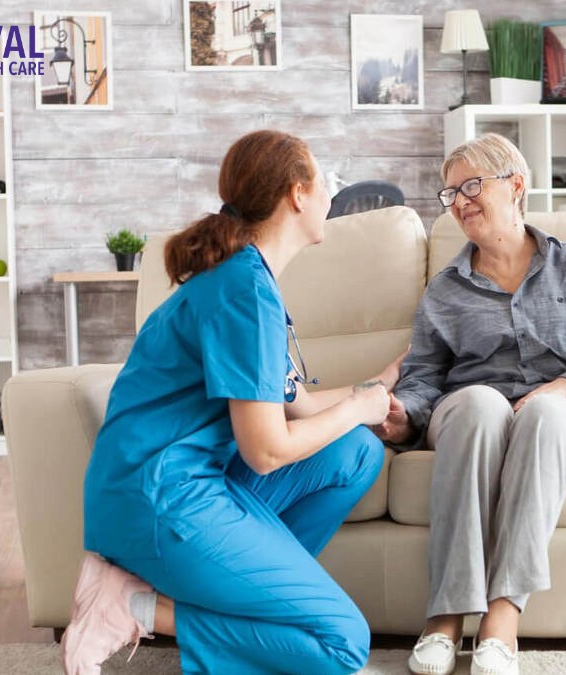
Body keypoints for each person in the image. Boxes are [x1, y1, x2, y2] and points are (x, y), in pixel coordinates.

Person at [62, 130, 400, 675]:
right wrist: (359, 408)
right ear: (297, 194)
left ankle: (257, 612)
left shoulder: (245, 278)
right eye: (325, 182)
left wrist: (374, 391)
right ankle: (132, 606)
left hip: (182, 483)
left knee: (356, 452)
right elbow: (266, 450)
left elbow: (301, 408)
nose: (329, 196)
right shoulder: (244, 292)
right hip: (159, 500)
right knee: (342, 644)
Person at [374, 133, 566, 675]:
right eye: (451, 194)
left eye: (472, 186)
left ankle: (502, 620)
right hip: (471, 409)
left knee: (543, 413)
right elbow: (425, 377)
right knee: (478, 403)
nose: (461, 202)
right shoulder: (445, 289)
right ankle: (446, 617)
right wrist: (404, 416)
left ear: (516, 186)